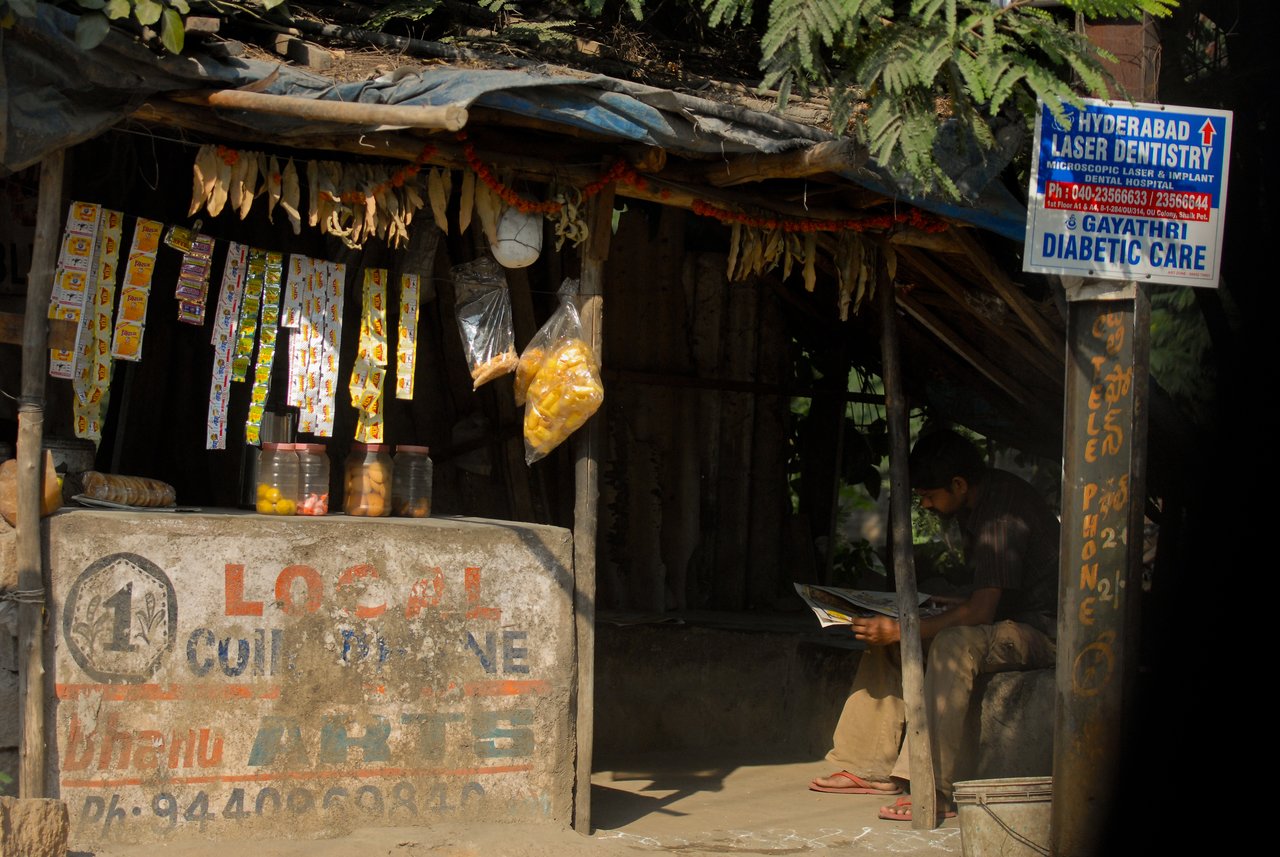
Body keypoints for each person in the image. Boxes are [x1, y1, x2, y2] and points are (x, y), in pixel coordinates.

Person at [808, 429, 1059, 822]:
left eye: (929, 495)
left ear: (958, 484)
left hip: (1044, 631)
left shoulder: (999, 511)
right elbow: (994, 595)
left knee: (951, 643)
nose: (924, 503)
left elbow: (981, 615)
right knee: (893, 635)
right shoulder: (978, 501)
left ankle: (932, 784)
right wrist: (906, 626)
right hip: (1011, 616)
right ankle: (865, 766)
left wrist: (905, 630)